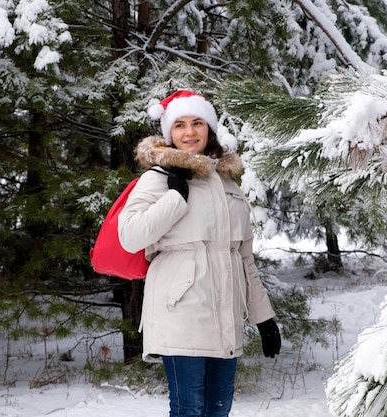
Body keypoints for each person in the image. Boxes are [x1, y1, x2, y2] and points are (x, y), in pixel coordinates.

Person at [117, 89, 281, 417]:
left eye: (197, 123)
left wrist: (264, 318)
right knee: (189, 409)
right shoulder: (156, 178)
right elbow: (130, 236)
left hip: (225, 315)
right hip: (179, 312)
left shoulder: (229, 185)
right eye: (179, 125)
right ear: (169, 133)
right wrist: (175, 197)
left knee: (218, 410)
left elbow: (244, 258)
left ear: (209, 128)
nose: (189, 132)